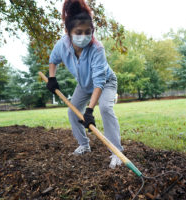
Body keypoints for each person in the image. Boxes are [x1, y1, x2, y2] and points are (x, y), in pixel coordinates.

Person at [46, 0, 123, 169]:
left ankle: (117, 152)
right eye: (78, 32)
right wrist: (52, 78)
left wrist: (89, 110)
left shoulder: (97, 49)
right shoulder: (62, 45)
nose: (84, 36)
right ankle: (84, 145)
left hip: (105, 83)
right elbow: (53, 60)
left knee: (105, 108)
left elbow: (99, 82)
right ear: (68, 32)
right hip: (84, 84)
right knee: (73, 112)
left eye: (88, 32)